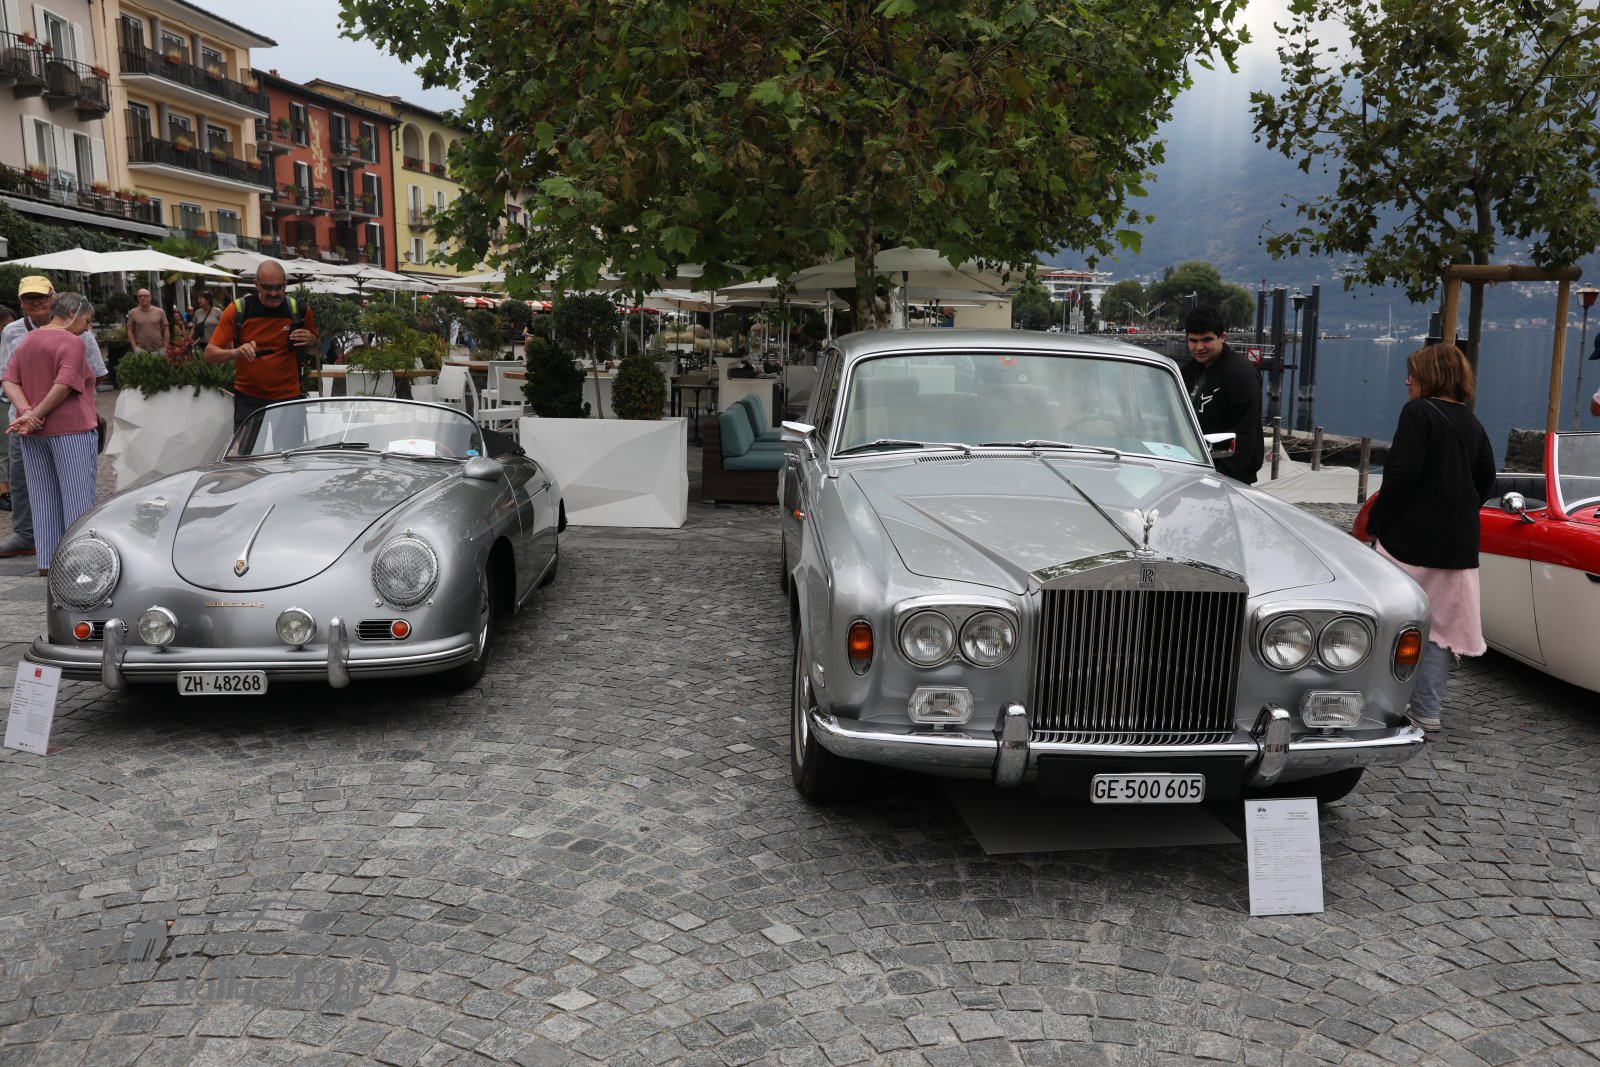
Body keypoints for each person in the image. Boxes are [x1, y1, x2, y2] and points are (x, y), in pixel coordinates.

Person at [1365, 343, 1495, 733]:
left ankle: (1378, 703)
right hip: (1457, 545)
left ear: (1432, 376)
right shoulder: (1472, 421)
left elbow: (1401, 475)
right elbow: (1486, 477)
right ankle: (1427, 710)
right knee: (1438, 630)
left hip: (1409, 540)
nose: (1407, 381)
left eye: (1414, 373)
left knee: (1390, 618)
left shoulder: (1418, 413)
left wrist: (1377, 522)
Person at [0, 277, 107, 559]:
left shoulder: (29, 338)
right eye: (87, 321)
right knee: (77, 499)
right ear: (72, 313)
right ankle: (78, 560)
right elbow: (65, 384)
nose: (87, 328)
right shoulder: (73, 340)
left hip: (31, 432)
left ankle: (48, 559)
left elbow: (9, 379)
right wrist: (35, 414)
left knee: (42, 498)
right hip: (70, 428)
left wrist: (26, 413)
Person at [204, 261, 320, 429]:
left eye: (279, 287)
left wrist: (312, 341)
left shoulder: (299, 311)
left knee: (287, 447)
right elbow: (209, 354)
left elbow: (315, 350)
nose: (274, 293)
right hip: (249, 399)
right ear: (256, 284)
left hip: (288, 398)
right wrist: (235, 352)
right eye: (267, 287)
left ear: (286, 284)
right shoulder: (238, 310)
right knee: (248, 447)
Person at [1179, 306, 1264, 484]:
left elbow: (1245, 433)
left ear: (1222, 337)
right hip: (1190, 469)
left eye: (1206, 340)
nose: (1199, 347)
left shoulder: (1241, 374)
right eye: (1193, 341)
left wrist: (1223, 477)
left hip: (1228, 476)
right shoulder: (1186, 372)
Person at [125, 288, 169, 354]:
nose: (142, 298)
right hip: (140, 350)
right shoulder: (133, 312)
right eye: (140, 296)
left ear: (150, 297)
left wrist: (165, 348)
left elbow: (166, 330)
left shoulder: (159, 312)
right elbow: (130, 330)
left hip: (158, 350)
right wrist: (135, 348)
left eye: (145, 296)